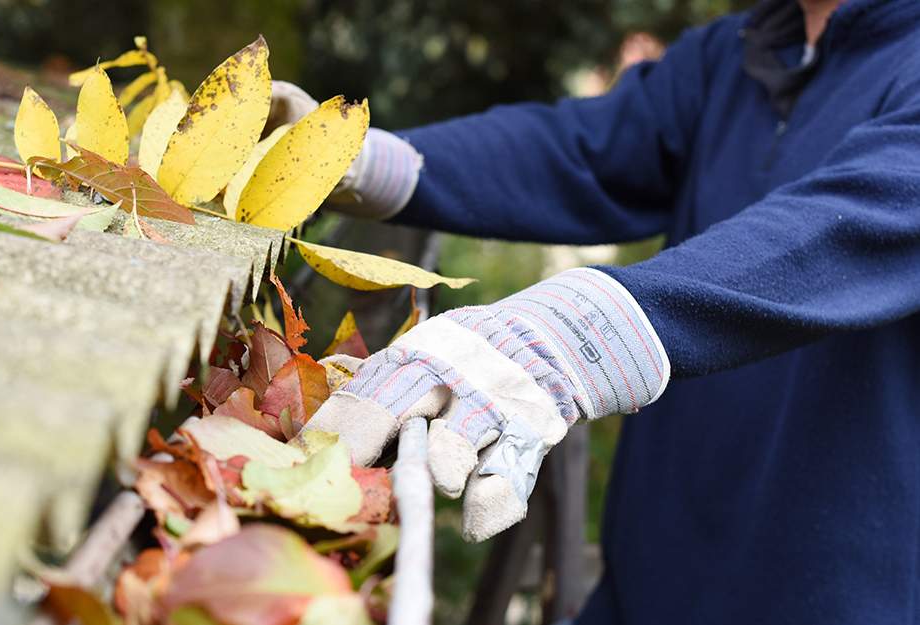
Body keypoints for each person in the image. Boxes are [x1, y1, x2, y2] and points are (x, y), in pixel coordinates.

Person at [274, 0, 920, 622]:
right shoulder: (738, 53)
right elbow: (581, 151)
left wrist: (577, 332)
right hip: (643, 586)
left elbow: (855, 220)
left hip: (830, 595)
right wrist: (359, 161)